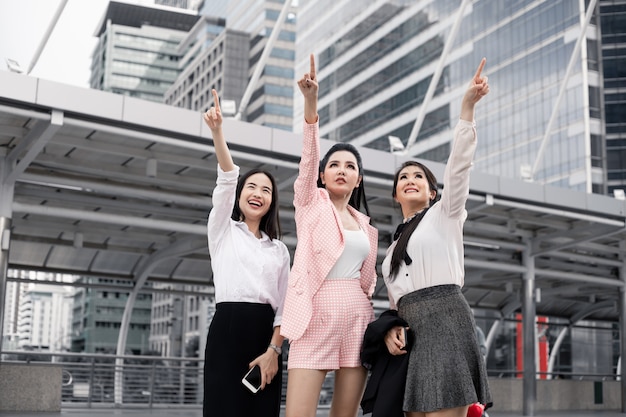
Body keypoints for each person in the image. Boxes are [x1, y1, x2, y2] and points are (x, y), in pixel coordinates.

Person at [382, 58, 492, 417]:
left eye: (419, 177)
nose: (410, 179)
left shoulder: (445, 214)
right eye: (403, 178)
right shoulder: (391, 248)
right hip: (411, 331)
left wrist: (467, 110)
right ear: (396, 194)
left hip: (446, 318)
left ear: (432, 192)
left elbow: (459, 167)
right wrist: (394, 326)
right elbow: (394, 300)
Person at [280, 54, 379, 417]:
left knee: (345, 415)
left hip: (357, 317)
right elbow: (308, 160)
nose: (341, 170)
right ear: (323, 176)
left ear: (359, 178)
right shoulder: (310, 203)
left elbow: (367, 281)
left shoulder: (368, 227)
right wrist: (311, 107)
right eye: (334, 165)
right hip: (315, 314)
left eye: (350, 166)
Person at [202, 89, 290, 417]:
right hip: (226, 329)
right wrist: (217, 132)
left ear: (271, 202)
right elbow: (227, 178)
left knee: (261, 411)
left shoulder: (279, 250)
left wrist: (273, 350)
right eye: (251, 187)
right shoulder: (223, 229)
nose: (258, 193)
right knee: (222, 409)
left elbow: (284, 308)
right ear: (240, 196)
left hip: (264, 334)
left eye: (266, 190)